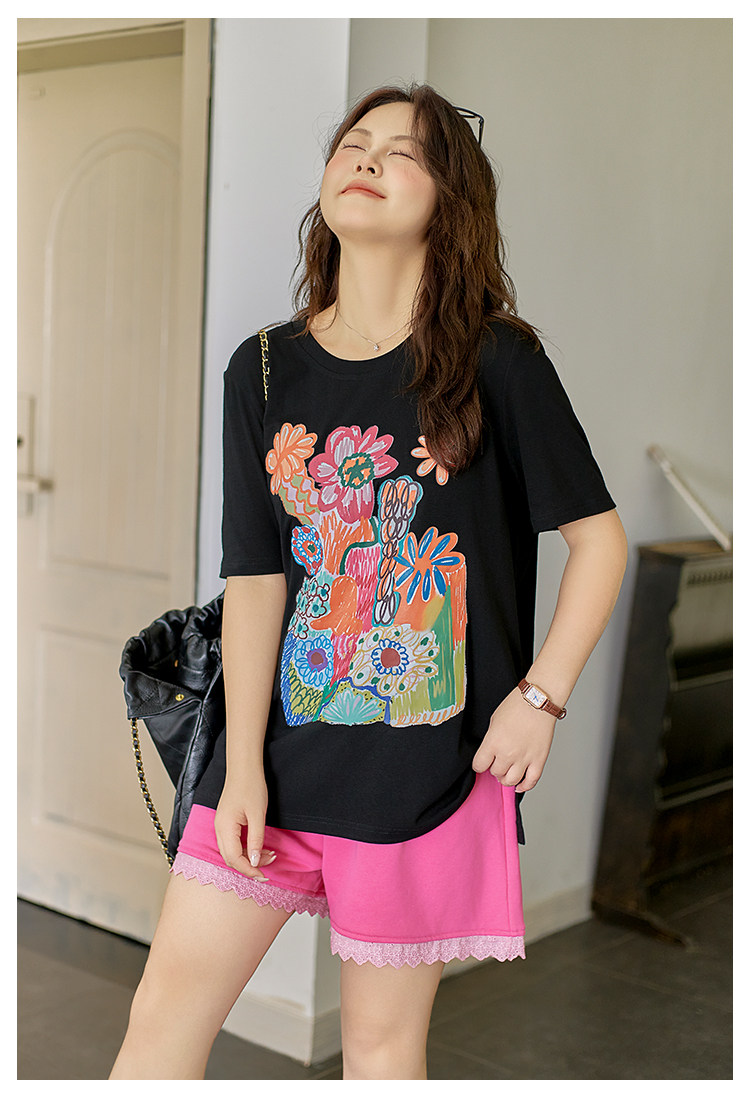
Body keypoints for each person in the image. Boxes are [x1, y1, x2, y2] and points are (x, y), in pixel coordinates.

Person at [109, 82, 628, 1081]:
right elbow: (257, 578)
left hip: (427, 771)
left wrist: (541, 698)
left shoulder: (497, 361)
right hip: (273, 753)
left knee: (383, 1051)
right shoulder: (264, 369)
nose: (370, 158)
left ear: (450, 199)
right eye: (356, 141)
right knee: (161, 1019)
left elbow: (599, 542)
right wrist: (242, 765)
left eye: (406, 151)